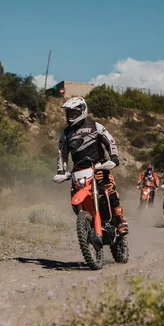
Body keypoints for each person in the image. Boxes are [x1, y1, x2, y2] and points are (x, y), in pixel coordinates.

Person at [57, 97, 129, 235]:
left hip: (99, 168)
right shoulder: (66, 133)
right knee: (74, 196)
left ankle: (120, 220)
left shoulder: (95, 126)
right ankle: (86, 222)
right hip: (79, 171)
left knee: (110, 191)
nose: (70, 117)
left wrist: (114, 157)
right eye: (68, 114)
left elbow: (110, 141)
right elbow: (62, 153)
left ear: (82, 111)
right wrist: (61, 171)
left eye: (73, 113)